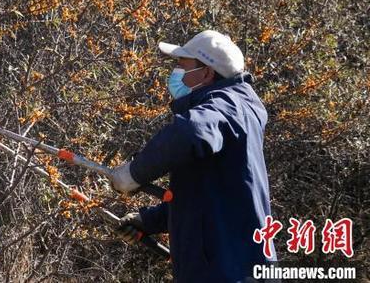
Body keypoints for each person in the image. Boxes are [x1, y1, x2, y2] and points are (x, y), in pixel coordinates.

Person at [109, 30, 276, 282]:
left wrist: (133, 173)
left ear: (207, 73)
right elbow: (210, 196)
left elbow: (191, 131)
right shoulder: (238, 107)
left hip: (231, 271)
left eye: (181, 65)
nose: (175, 73)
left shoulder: (227, 106)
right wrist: (150, 220)